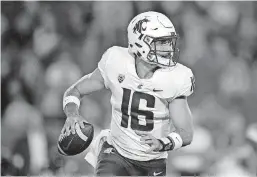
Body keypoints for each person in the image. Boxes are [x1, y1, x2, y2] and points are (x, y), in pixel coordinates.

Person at [61, 11, 195, 176]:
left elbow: (187, 133)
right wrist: (72, 114)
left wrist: (162, 143)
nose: (168, 48)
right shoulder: (116, 61)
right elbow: (75, 90)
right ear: (140, 43)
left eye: (169, 42)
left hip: (152, 162)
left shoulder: (175, 78)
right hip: (115, 153)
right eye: (161, 43)